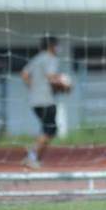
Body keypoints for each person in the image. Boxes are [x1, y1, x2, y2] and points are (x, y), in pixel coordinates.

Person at [21, 35, 66, 169]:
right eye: (57, 45)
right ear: (52, 46)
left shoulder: (36, 58)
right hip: (46, 100)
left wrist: (33, 88)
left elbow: (24, 74)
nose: (58, 48)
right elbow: (52, 77)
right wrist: (65, 85)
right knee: (49, 129)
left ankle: (32, 150)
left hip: (34, 101)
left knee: (48, 129)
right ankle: (32, 156)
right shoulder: (51, 58)